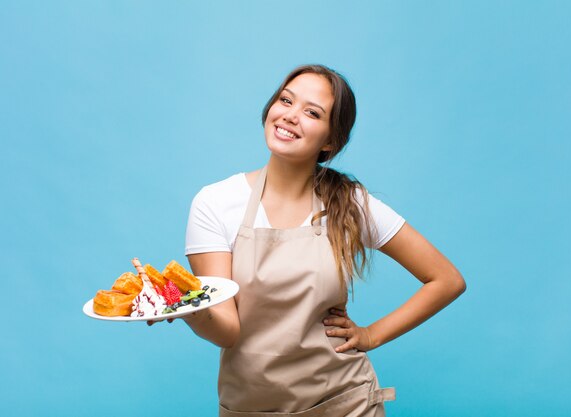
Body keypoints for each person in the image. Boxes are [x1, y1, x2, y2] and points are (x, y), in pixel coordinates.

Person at [181, 64, 466, 416]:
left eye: (312, 113)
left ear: (331, 140)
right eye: (285, 100)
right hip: (250, 408)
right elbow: (226, 332)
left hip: (344, 403)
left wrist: (372, 335)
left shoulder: (350, 203)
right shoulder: (216, 202)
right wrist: (187, 309)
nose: (290, 116)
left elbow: (446, 280)